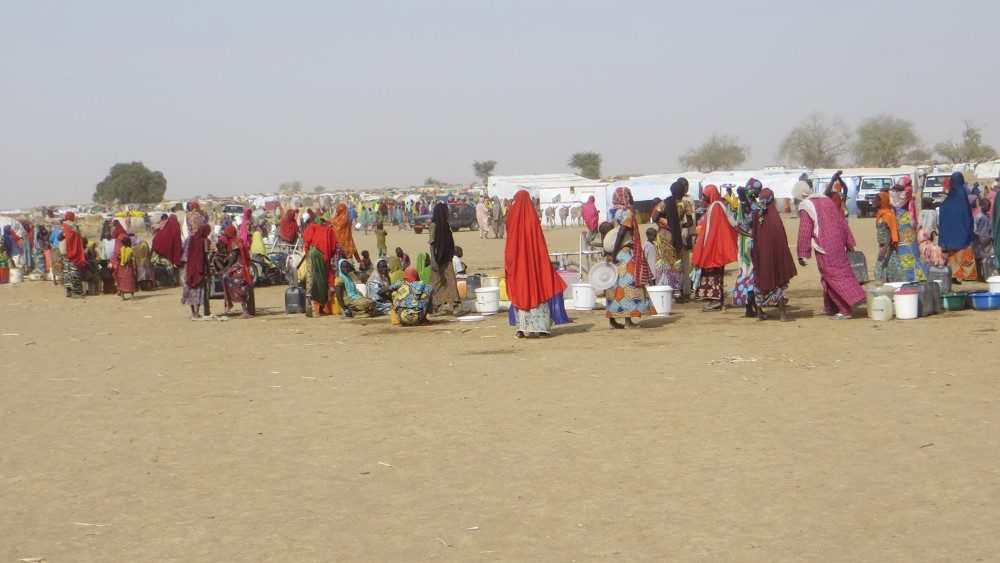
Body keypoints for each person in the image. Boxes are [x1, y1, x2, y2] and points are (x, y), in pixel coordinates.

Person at [503, 190, 572, 337]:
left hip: (518, 264)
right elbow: (539, 244)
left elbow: (509, 239)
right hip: (534, 264)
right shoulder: (532, 217)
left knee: (521, 290)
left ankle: (521, 329)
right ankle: (541, 329)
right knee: (537, 288)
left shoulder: (512, 217)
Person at [792, 182, 865, 319]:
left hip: (824, 245)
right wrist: (848, 242)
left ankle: (846, 308)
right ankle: (833, 307)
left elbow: (805, 230)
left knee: (832, 275)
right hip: (838, 242)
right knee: (839, 273)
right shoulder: (826, 200)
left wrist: (802, 253)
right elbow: (841, 221)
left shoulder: (806, 206)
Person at [739, 188, 797, 321]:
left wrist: (753, 235)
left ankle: (760, 314)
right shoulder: (774, 216)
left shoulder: (755, 213)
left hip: (760, 254)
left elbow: (739, 227)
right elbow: (781, 239)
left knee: (759, 281)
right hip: (775, 256)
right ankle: (782, 315)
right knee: (778, 281)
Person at [604, 187, 653, 328]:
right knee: (628, 286)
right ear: (625, 197)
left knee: (614, 286)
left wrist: (608, 253)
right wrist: (614, 255)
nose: (632, 197)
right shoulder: (627, 212)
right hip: (624, 254)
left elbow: (606, 232)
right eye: (630, 195)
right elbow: (621, 233)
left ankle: (612, 321)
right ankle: (628, 322)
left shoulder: (611, 212)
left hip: (613, 253)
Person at [691, 185, 739, 312]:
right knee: (717, 274)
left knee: (712, 274)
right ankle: (719, 301)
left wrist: (704, 248)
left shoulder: (715, 207)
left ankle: (715, 301)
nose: (702, 200)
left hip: (713, 247)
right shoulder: (718, 205)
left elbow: (711, 230)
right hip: (717, 246)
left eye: (704, 197)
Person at [428, 203, 465, 315]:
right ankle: (435, 307)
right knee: (436, 283)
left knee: (451, 281)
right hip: (438, 259)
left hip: (447, 257)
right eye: (446, 211)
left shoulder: (446, 225)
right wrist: (433, 261)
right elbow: (432, 244)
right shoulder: (433, 226)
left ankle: (454, 305)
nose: (448, 213)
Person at [939, 171, 976, 283]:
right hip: (963, 234)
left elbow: (943, 212)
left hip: (950, 235)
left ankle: (955, 275)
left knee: (953, 256)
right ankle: (967, 276)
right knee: (965, 253)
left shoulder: (949, 198)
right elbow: (967, 216)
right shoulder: (962, 195)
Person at [890, 177, 928, 282]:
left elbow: (896, 203)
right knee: (909, 253)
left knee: (908, 252)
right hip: (904, 223)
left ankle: (912, 277)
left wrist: (895, 189)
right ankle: (914, 277)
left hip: (903, 224)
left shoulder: (900, 192)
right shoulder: (904, 191)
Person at [732, 181, 760, 315]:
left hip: (744, 242)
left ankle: (749, 306)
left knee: (746, 271)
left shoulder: (746, 204)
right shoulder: (751, 205)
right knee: (752, 273)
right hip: (749, 242)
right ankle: (751, 304)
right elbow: (751, 214)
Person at [221, 225, 255, 318]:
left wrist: (228, 267)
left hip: (238, 268)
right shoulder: (239, 240)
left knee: (225, 278)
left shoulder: (233, 242)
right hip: (243, 267)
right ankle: (232, 305)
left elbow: (234, 256)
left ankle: (230, 304)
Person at [181, 224, 211, 319]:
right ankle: (197, 313)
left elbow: (185, 253)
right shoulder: (204, 241)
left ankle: (193, 313)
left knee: (190, 289)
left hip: (189, 268)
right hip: (199, 268)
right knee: (199, 291)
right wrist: (208, 269)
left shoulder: (189, 239)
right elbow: (205, 257)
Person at [874, 191, 904, 283]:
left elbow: (892, 232)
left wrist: (885, 248)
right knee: (888, 269)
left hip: (888, 247)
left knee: (883, 269)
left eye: (875, 200)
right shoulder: (881, 214)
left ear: (881, 201)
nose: (873, 202)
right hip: (883, 246)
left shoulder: (888, 215)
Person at [59, 212, 87, 297]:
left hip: (66, 252)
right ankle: (77, 291)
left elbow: (60, 237)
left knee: (67, 272)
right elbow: (79, 238)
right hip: (75, 252)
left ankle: (68, 291)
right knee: (75, 271)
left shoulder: (63, 226)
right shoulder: (76, 226)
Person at [973, 198, 994, 280]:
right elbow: (974, 229)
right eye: (987, 206)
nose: (989, 208)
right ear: (982, 206)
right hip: (979, 241)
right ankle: (979, 276)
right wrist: (978, 236)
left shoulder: (988, 216)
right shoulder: (979, 217)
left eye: (990, 206)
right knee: (978, 259)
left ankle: (986, 275)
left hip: (987, 241)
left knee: (987, 259)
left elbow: (990, 228)